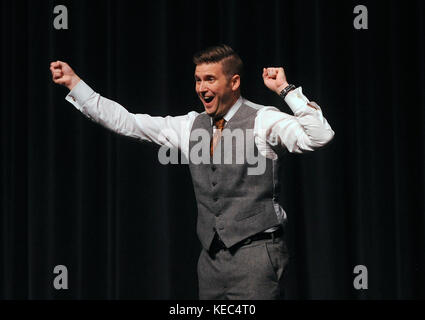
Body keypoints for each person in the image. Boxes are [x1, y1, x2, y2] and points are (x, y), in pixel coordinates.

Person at [50, 44, 334, 299]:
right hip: (210, 262)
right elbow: (129, 123)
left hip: (257, 255)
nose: (201, 88)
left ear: (234, 82)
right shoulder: (190, 126)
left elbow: (319, 135)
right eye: (198, 80)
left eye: (210, 79)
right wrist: (75, 84)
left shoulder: (263, 119)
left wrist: (286, 90)